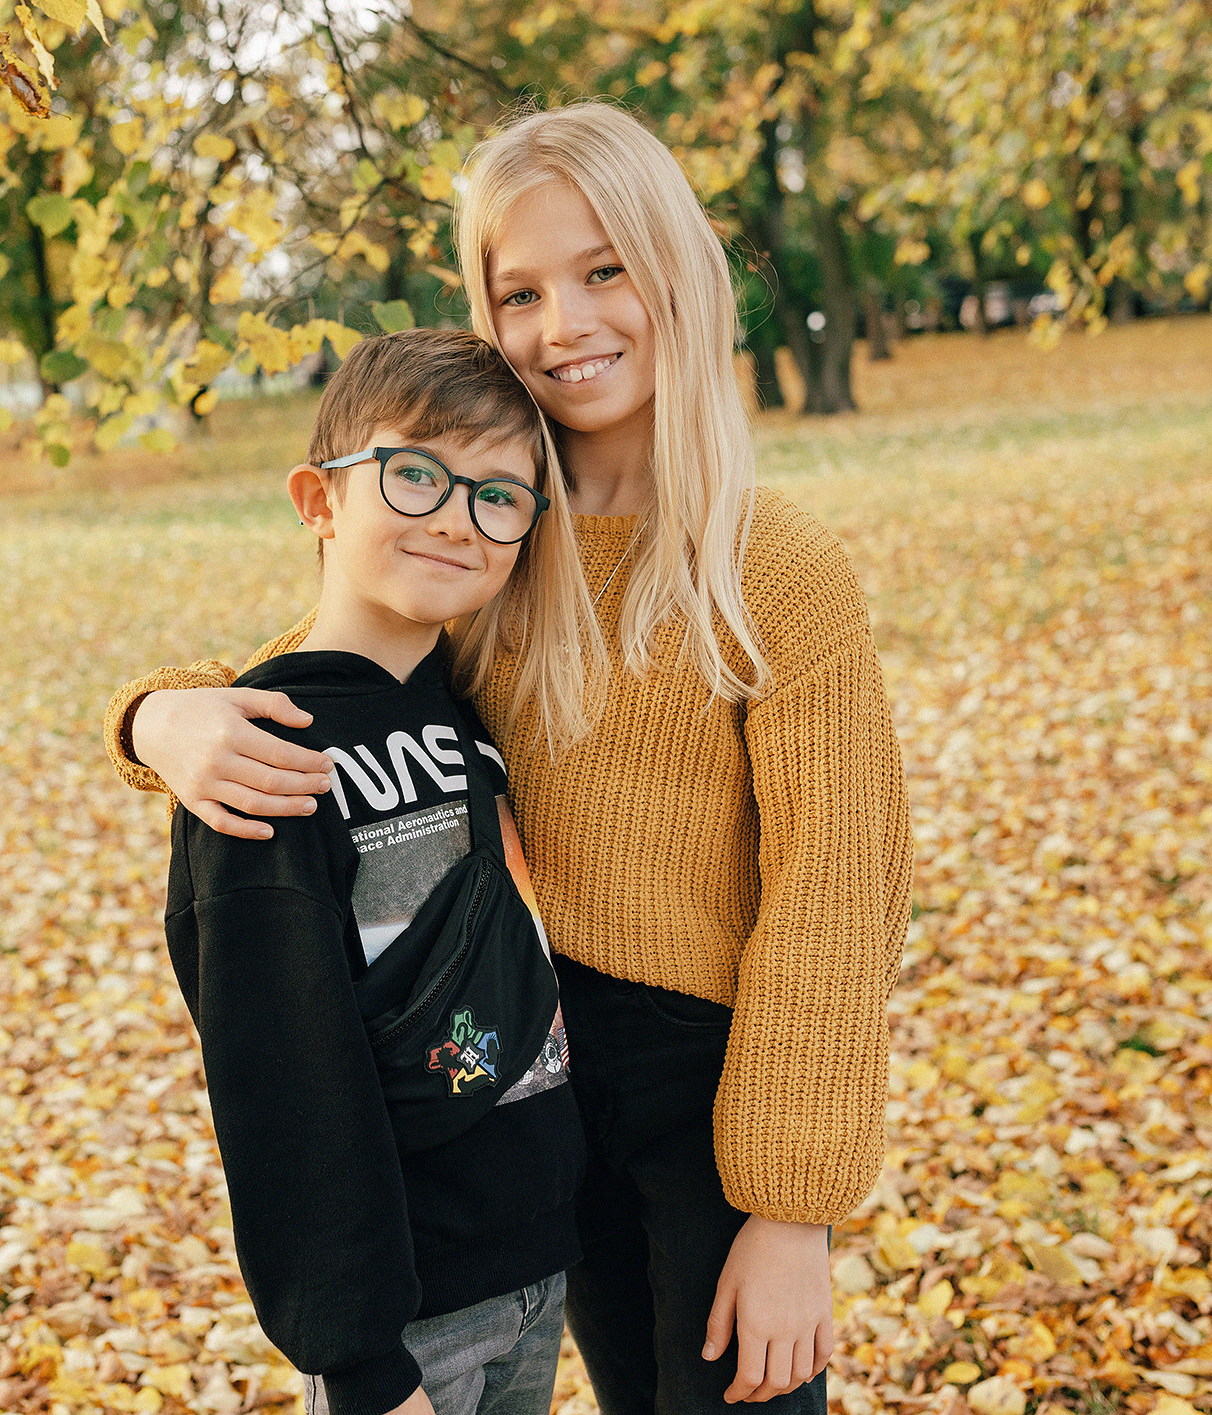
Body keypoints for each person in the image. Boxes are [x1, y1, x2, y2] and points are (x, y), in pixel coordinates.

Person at [105, 101, 913, 1414]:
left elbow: (836, 890)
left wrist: (791, 1210)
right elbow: (330, 667)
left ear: (677, 275)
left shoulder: (773, 567)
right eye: (520, 290)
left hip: (724, 1088)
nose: (564, 324)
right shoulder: (498, 543)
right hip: (539, 1072)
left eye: (604, 270)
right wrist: (162, 715)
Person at [164, 327, 588, 1415]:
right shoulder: (265, 751)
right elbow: (277, 1072)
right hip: (406, 1323)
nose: (457, 514)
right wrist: (355, 1355)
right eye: (416, 473)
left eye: (500, 495)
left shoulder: (466, 713)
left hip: (536, 1270)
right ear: (319, 501)